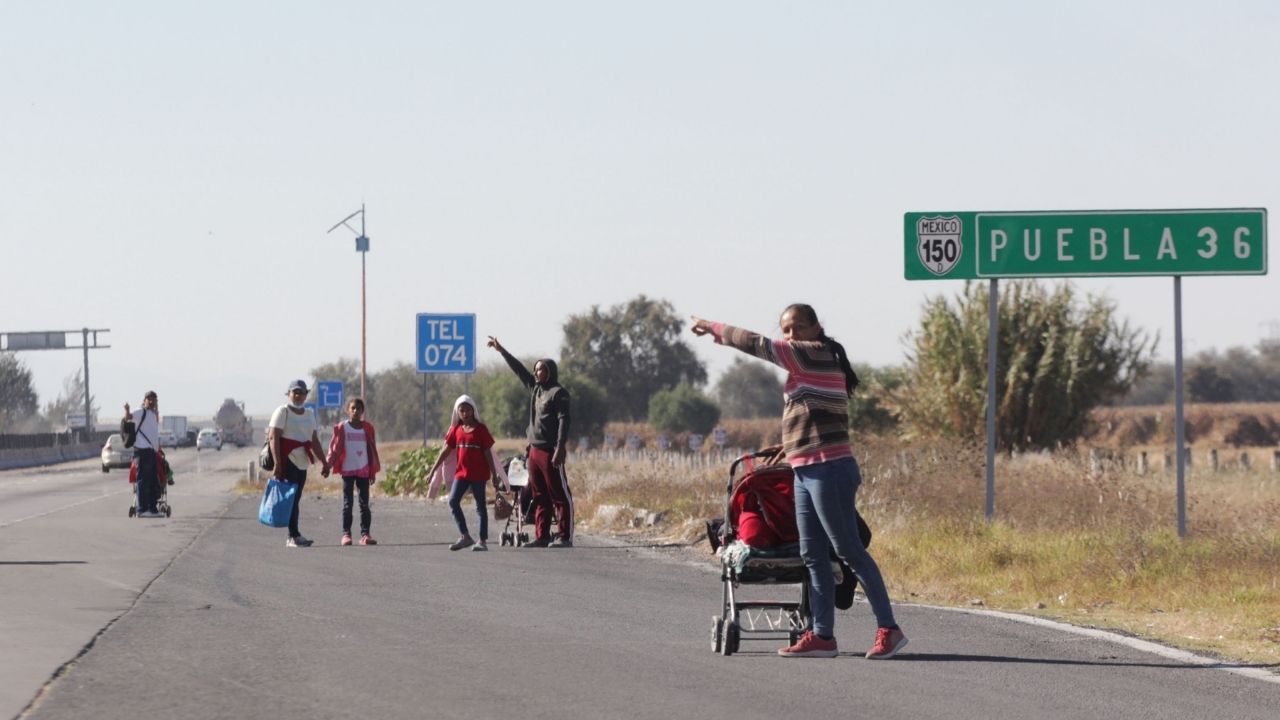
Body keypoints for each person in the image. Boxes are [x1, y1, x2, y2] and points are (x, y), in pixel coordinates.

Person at [691, 304, 908, 660]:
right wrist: (790, 446)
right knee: (812, 555)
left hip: (829, 470)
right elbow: (819, 416)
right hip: (805, 469)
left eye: (797, 328)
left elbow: (755, 343)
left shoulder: (809, 354)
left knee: (849, 550)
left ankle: (890, 629)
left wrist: (712, 327)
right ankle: (822, 636)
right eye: (786, 330)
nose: (791, 336)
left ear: (816, 328)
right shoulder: (811, 361)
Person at [487, 336, 574, 548]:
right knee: (539, 495)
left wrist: (560, 446)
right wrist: (502, 351)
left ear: (550, 372)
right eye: (536, 370)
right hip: (534, 450)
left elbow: (564, 420)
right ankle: (542, 536)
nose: (536, 373)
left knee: (559, 494)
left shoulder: (558, 393)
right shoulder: (536, 389)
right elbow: (519, 371)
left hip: (551, 449)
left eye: (541, 370)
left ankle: (565, 536)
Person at [423, 395, 502, 552]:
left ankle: (482, 540)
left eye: (468, 410)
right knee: (452, 501)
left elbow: (488, 453)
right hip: (462, 474)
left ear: (473, 411)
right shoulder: (457, 430)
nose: (465, 413)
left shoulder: (481, 430)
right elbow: (445, 451)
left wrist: (494, 474)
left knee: (480, 506)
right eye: (462, 410)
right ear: (457, 413)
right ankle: (465, 536)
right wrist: (432, 471)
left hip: (479, 475)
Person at [269, 380, 330, 548]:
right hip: (287, 460)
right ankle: (292, 535)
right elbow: (273, 437)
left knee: (295, 499)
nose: (298, 395)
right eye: (294, 392)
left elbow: (314, 441)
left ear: (306, 395)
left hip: (302, 461)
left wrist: (324, 463)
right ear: (288, 394)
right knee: (291, 499)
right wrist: (278, 463)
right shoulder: (282, 412)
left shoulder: (309, 414)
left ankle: (295, 534)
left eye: (301, 392)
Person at [325, 397, 381, 546]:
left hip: (363, 470)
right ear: (348, 410)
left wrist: (372, 471)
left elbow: (371, 450)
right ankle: (346, 534)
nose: (356, 411)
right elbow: (334, 448)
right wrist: (328, 465)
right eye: (353, 408)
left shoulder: (367, 428)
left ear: (363, 411)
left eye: (359, 409)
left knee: (364, 504)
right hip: (347, 471)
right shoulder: (342, 427)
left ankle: (365, 534)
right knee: (347, 504)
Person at [122, 390, 163, 517]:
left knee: (151, 481)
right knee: (143, 481)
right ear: (144, 401)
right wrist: (127, 410)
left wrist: (157, 448)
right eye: (149, 399)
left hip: (151, 452)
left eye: (154, 399)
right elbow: (128, 418)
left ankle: (152, 509)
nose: (151, 401)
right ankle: (142, 509)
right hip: (142, 451)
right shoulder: (141, 412)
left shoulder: (153, 414)